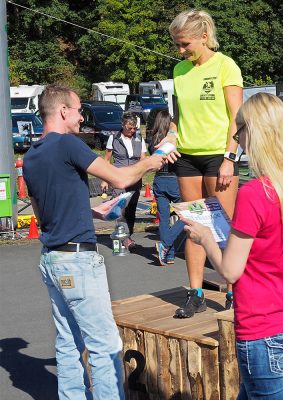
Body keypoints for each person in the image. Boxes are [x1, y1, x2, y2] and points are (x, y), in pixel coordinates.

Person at [23, 84, 170, 399]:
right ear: (63, 111)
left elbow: (41, 210)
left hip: (52, 257)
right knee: (105, 345)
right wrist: (151, 161)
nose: (81, 118)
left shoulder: (33, 155)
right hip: (77, 260)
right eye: (77, 111)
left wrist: (91, 210)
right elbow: (119, 178)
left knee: (68, 344)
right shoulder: (68, 145)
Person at [182, 92, 283, 399]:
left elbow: (230, 271)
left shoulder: (255, 193)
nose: (238, 139)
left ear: (254, 133)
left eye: (240, 131)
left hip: (263, 333)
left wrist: (206, 237)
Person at [165, 9, 243, 316]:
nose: (180, 50)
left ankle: (235, 292)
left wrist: (229, 158)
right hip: (187, 157)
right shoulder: (180, 71)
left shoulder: (226, 66)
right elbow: (179, 117)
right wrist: (170, 139)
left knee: (226, 228)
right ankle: (196, 293)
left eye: (185, 44)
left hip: (217, 156)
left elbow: (238, 118)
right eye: (177, 45)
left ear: (204, 36)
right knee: (193, 226)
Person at [101, 112, 148, 249]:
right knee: (120, 208)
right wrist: (105, 179)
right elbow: (106, 160)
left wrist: (143, 170)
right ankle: (125, 238)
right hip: (118, 177)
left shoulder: (139, 138)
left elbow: (143, 158)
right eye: (129, 128)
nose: (132, 131)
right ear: (123, 125)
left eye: (134, 128)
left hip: (134, 178)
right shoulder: (114, 138)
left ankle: (128, 235)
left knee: (131, 209)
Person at [149, 109, 185, 265]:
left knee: (163, 219)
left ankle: (168, 255)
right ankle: (167, 243)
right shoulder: (173, 140)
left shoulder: (153, 139)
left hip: (158, 180)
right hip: (173, 179)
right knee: (187, 215)